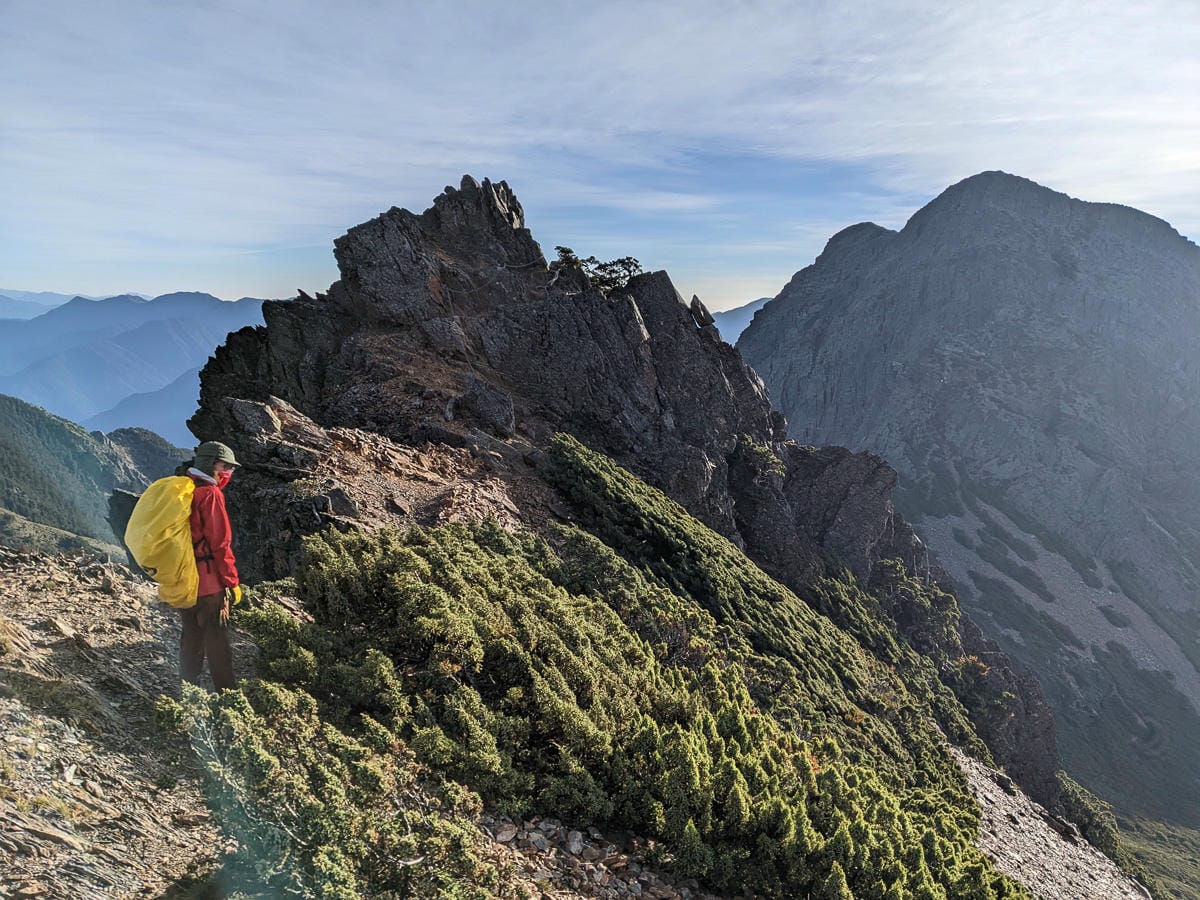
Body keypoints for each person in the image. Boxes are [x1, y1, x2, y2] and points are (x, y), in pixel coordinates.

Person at [180, 440, 242, 691]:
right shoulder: (211, 494)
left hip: (184, 576)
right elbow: (220, 543)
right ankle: (228, 697)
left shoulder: (184, 489)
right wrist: (231, 581)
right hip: (208, 581)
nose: (227, 470)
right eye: (224, 465)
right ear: (211, 464)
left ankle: (187, 692)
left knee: (191, 635)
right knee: (217, 638)